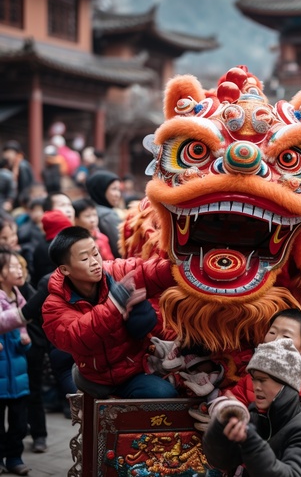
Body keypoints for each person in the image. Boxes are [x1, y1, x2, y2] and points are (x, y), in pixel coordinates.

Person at [41, 226, 178, 399]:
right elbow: (78, 337)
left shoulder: (116, 271)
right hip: (95, 378)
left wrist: (182, 266)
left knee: (165, 394)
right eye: (84, 258)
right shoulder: (53, 305)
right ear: (65, 269)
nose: (94, 262)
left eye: (96, 253)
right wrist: (115, 303)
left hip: (133, 371)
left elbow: (150, 271)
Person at [223, 307, 301, 476]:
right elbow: (234, 406)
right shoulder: (252, 377)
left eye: (286, 336)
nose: (276, 340)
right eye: (272, 333)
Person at [203, 338, 301, 477]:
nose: (256, 387)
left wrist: (251, 441)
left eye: (263, 380)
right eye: (254, 379)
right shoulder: (255, 414)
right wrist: (221, 425)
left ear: (286, 382)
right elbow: (222, 461)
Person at [0, 247, 32, 475]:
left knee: (20, 423)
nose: (18, 269)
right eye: (12, 266)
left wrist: (25, 341)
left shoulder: (18, 297)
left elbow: (24, 332)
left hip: (19, 374)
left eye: (19, 265)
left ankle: (14, 458)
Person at [85, 171, 123, 258]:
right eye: (114, 189)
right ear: (100, 190)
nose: (118, 194)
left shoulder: (88, 210)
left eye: (119, 190)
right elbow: (121, 248)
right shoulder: (107, 215)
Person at [2, 141, 34, 209]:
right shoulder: (9, 166)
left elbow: (25, 187)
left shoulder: (22, 166)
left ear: (16, 153)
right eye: (6, 152)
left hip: (23, 201)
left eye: (9, 152)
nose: (7, 155)